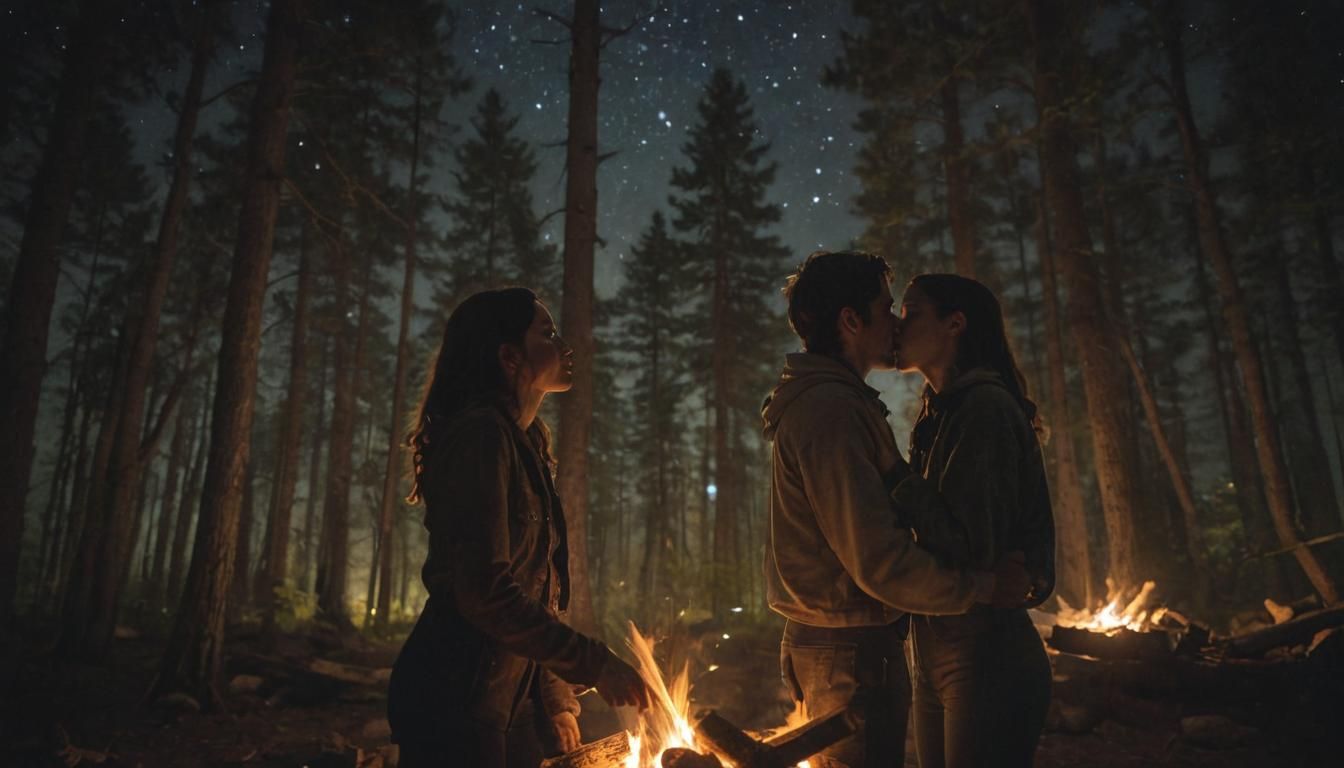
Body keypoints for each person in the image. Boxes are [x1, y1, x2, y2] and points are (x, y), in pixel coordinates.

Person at [761, 252, 1033, 768]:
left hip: (841, 646)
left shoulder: (839, 404)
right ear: (851, 320)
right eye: (888, 308)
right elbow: (879, 560)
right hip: (848, 651)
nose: (896, 323)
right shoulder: (832, 410)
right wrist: (979, 587)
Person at [388, 288, 650, 768]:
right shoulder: (481, 437)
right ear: (509, 356)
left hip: (505, 699)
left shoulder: (525, 441)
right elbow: (486, 592)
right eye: (547, 334)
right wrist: (593, 663)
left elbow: (534, 592)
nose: (565, 346)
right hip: (454, 702)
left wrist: (554, 697)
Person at [892, 273, 1055, 768]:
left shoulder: (984, 408)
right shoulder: (940, 412)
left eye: (911, 312)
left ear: (954, 324)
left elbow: (969, 545)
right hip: (940, 648)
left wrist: (892, 475)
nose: (898, 325)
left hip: (986, 656)